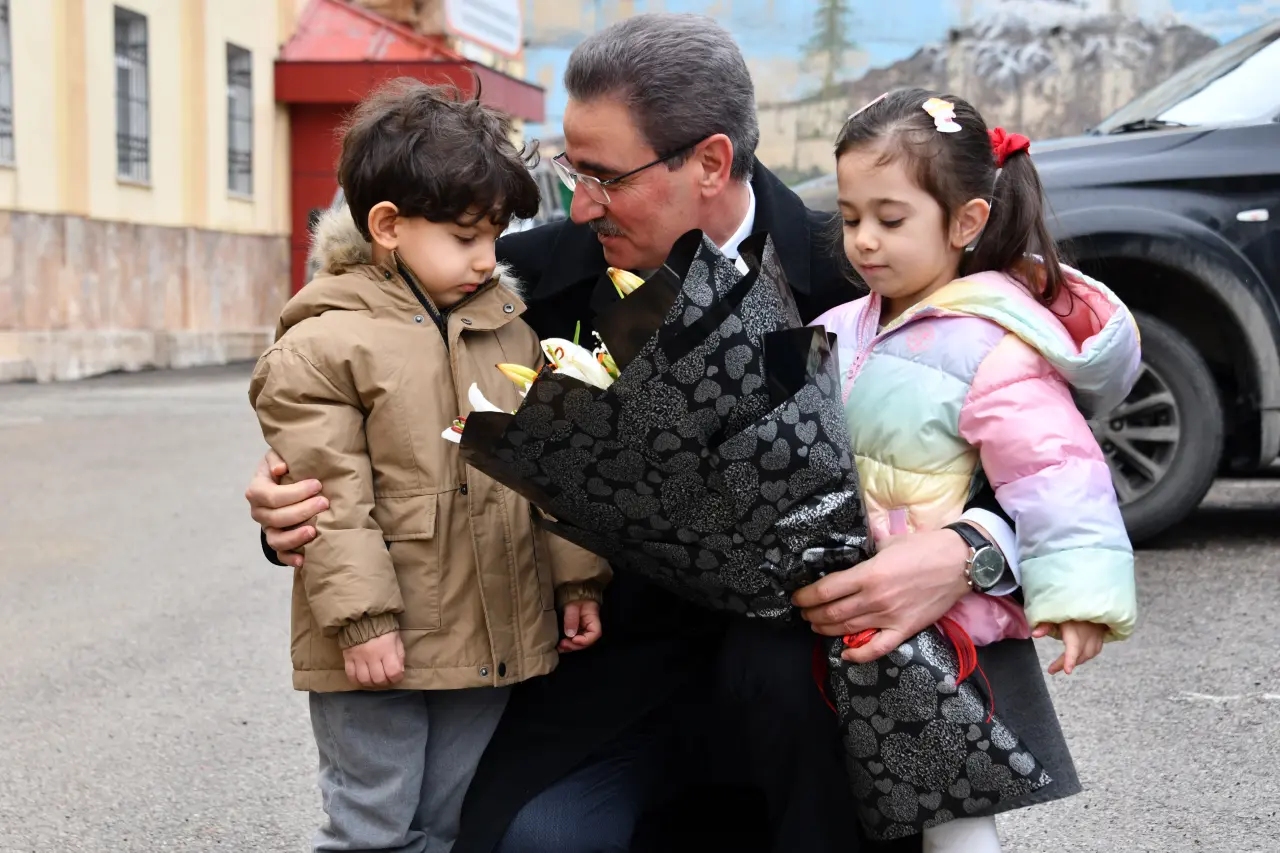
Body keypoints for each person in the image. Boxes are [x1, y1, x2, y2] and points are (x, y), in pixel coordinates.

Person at [246, 15, 1077, 853]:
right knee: (540, 839)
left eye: (606, 176)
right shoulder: (504, 281)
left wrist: (966, 549)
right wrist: (290, 509)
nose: (582, 203)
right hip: (606, 681)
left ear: (711, 162)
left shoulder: (864, 271)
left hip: (814, 687)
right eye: (573, 169)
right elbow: (368, 409)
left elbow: (1053, 471)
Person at [246, 80, 609, 853]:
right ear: (387, 226)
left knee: (445, 826)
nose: (489, 257)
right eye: (465, 236)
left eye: (497, 234)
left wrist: (575, 578)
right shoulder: (325, 344)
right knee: (371, 826)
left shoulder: (505, 331)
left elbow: (541, 470)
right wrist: (363, 620)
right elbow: (330, 499)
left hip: (488, 628)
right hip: (377, 641)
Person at [811, 88, 1139, 852]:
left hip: (947, 631)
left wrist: (1080, 594)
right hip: (864, 612)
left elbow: (1057, 472)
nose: (864, 241)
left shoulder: (993, 345)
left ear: (966, 222)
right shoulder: (838, 326)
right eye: (851, 215)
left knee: (954, 807)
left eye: (890, 220)